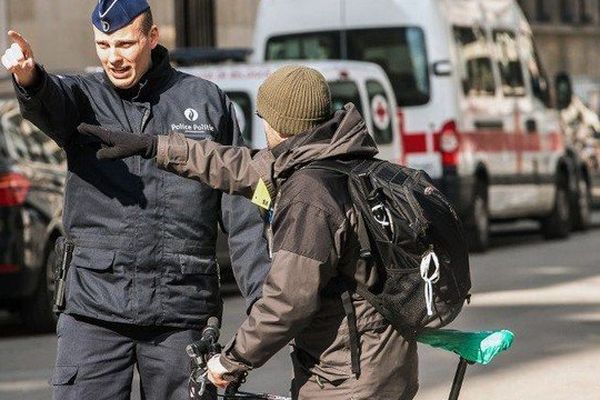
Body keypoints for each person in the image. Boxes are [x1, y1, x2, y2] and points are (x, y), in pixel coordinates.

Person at [79, 65, 420, 400]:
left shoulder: (310, 196)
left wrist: (230, 362)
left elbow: (287, 303)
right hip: (386, 364)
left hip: (350, 379)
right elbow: (234, 166)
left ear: (278, 124)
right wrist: (155, 146)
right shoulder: (338, 159)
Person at [1, 1, 270, 399]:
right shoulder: (82, 97)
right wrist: (30, 79)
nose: (113, 58)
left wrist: (265, 304)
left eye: (124, 44)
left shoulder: (207, 102)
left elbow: (244, 208)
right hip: (93, 310)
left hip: (181, 310)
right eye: (103, 45)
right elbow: (50, 99)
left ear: (153, 37)